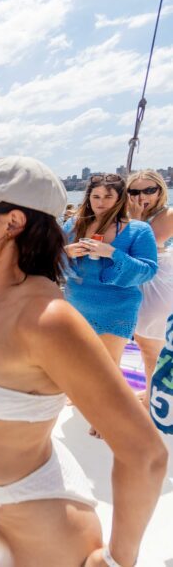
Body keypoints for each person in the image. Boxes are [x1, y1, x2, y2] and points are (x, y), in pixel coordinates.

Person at [0, 105, 167, 566]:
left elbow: (146, 454)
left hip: (44, 526)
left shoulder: (46, 318)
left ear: (13, 223)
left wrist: (117, 560)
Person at [63, 174, 158, 370]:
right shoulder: (74, 225)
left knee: (108, 367)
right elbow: (49, 259)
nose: (101, 202)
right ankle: (83, 400)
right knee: (77, 362)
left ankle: (101, 401)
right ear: (88, 197)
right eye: (96, 196)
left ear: (119, 198)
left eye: (108, 197)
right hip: (76, 304)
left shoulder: (139, 230)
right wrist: (67, 252)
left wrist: (113, 253)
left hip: (117, 309)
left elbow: (148, 270)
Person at [127, 170, 173, 404]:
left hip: (158, 286)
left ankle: (150, 403)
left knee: (151, 345)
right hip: (135, 285)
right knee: (146, 343)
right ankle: (152, 390)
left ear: (160, 191)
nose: (142, 196)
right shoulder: (129, 215)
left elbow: (141, 246)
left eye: (149, 190)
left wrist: (134, 220)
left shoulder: (168, 215)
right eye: (134, 191)